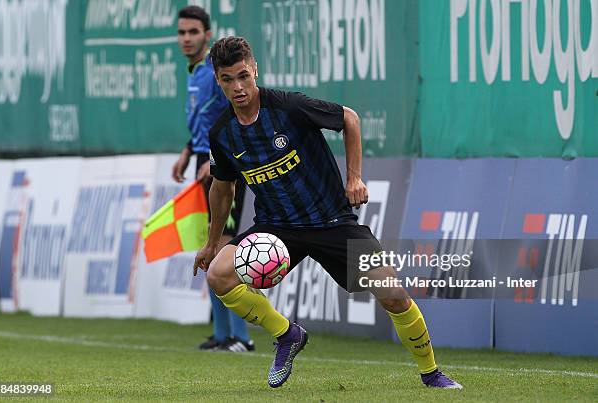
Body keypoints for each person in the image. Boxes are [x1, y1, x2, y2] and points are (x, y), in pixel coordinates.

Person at [193, 36, 463, 389]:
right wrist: (213, 243)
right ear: (218, 80)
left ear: (254, 69)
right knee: (219, 274)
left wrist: (354, 178)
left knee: (393, 294)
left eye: (243, 76)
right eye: (228, 80)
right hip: (276, 229)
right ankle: (287, 335)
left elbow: (349, 119)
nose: (238, 87)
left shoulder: (289, 107)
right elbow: (223, 187)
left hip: (330, 220)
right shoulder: (223, 133)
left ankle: (432, 374)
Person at [172, 6, 253, 353]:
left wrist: (214, 156)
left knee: (225, 248)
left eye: (193, 32)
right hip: (203, 160)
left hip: (223, 162)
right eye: (182, 33)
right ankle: (222, 334)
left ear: (207, 34)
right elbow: (202, 119)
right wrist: (190, 150)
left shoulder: (215, 72)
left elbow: (231, 114)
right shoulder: (193, 72)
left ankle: (242, 337)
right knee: (209, 246)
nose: (186, 38)